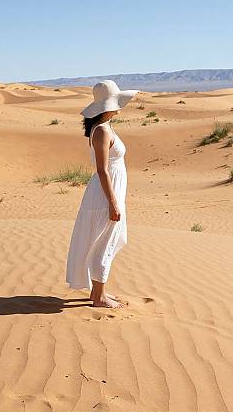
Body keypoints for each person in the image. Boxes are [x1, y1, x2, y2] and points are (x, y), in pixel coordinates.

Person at [65, 80, 139, 308]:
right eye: (117, 102)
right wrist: (112, 202)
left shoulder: (105, 128)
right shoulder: (101, 132)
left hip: (109, 192)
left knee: (108, 239)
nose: (120, 106)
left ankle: (98, 291)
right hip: (104, 195)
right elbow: (102, 170)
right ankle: (98, 297)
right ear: (108, 106)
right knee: (103, 242)